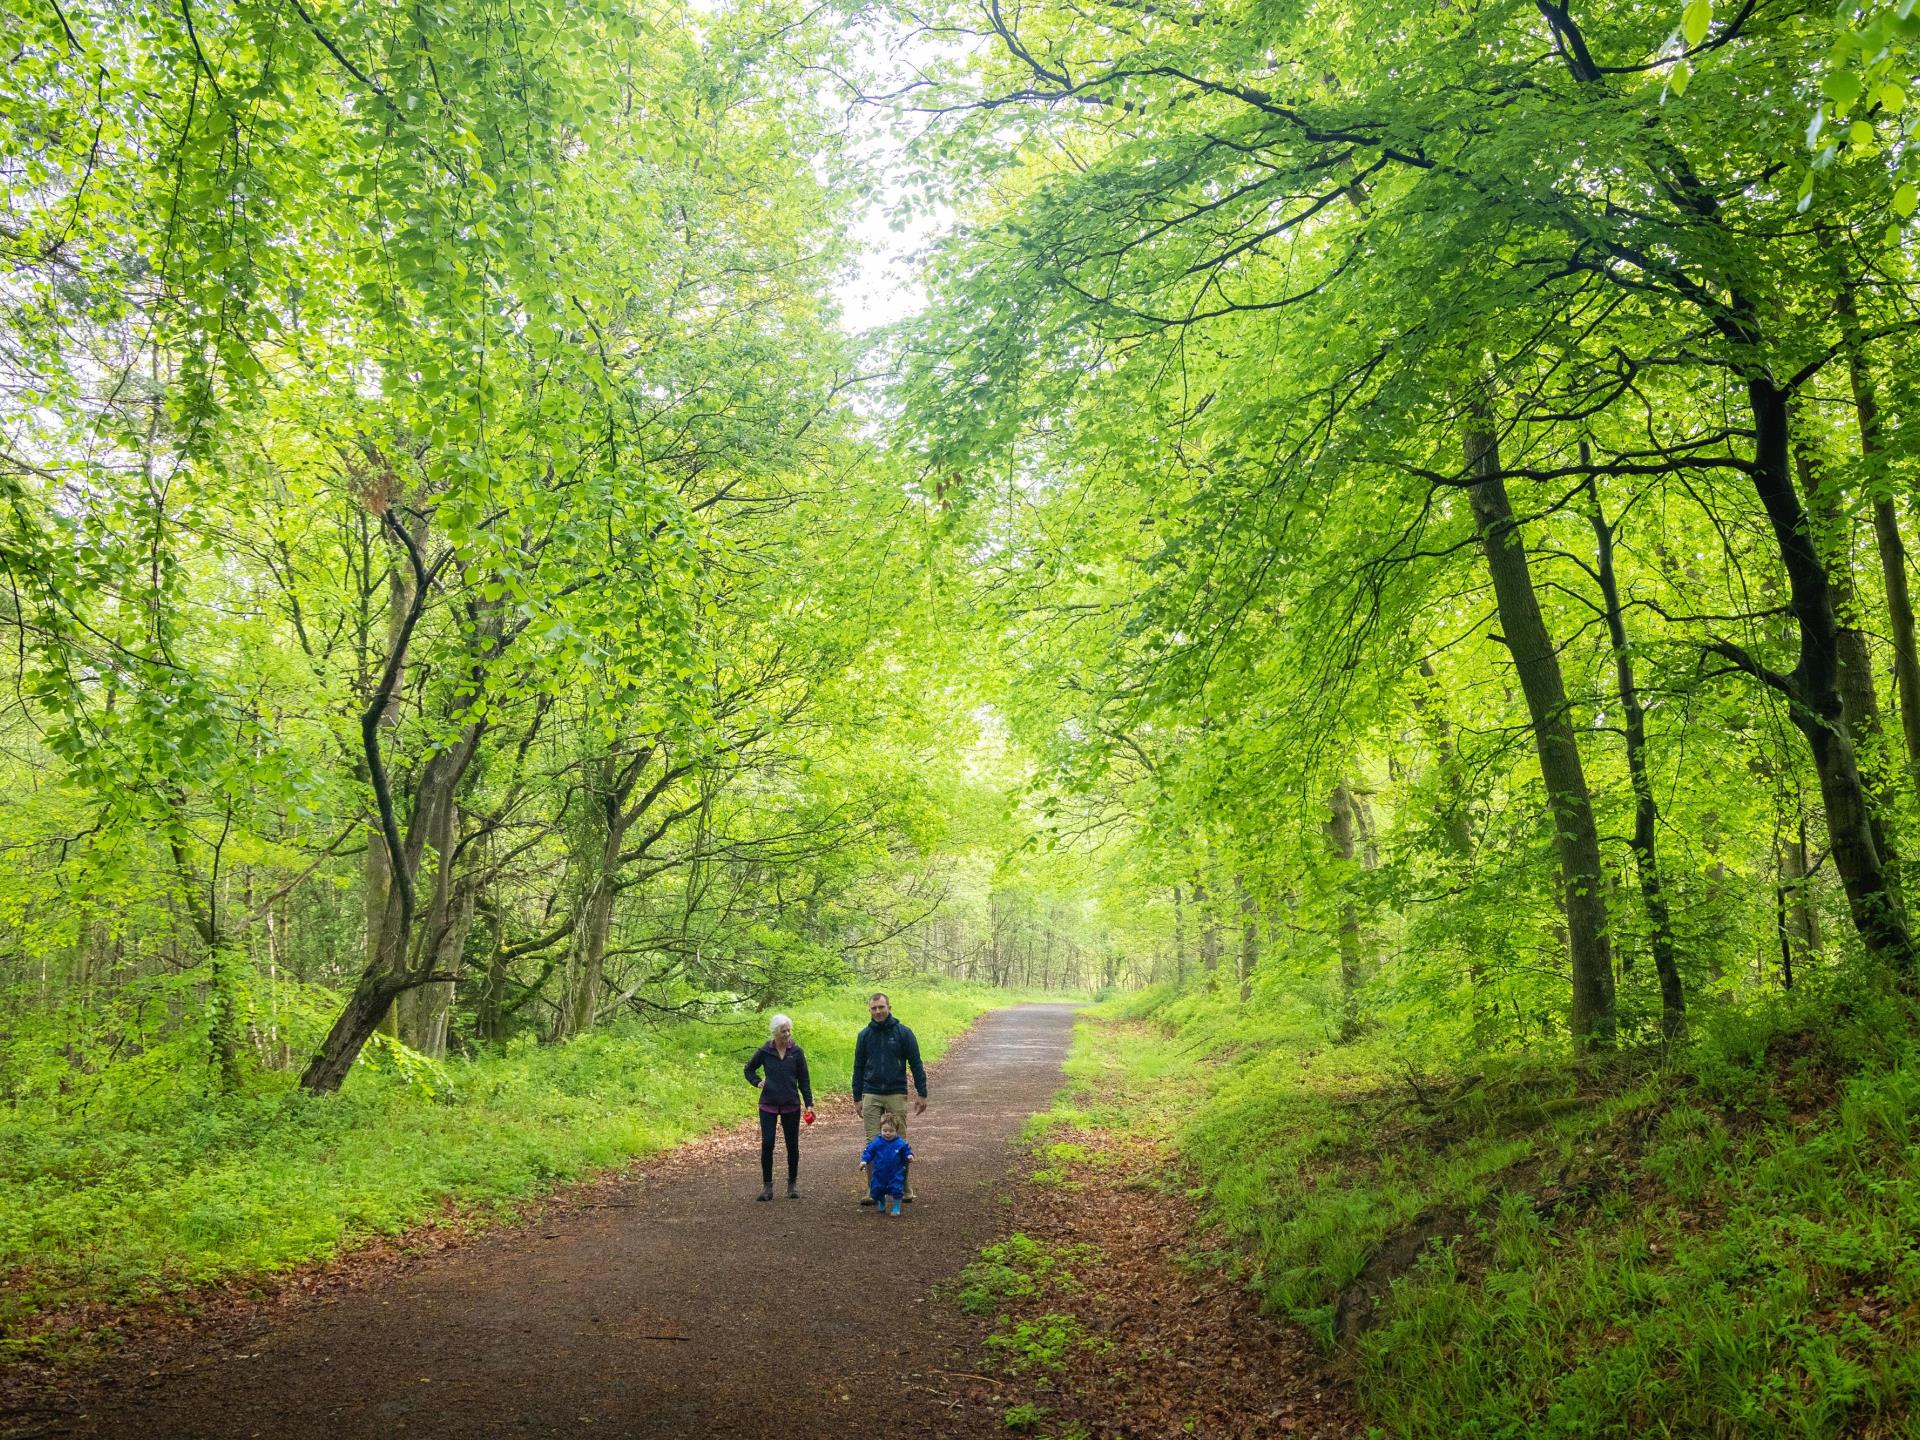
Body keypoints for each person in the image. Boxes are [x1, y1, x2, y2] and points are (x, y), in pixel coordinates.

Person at [850, 991, 926, 1204]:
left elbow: (916, 1063)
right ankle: (872, 1191)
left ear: (889, 1008)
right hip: (871, 1092)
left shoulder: (903, 1033)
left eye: (881, 1007)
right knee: (872, 1143)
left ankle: (904, 1188)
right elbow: (858, 1067)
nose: (878, 1011)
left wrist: (922, 1094)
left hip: (895, 1092)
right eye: (874, 1008)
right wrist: (857, 1097)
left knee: (898, 1143)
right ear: (869, 1010)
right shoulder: (864, 1035)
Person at [745, 1013, 813, 1201]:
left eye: (789, 1030)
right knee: (767, 1143)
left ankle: (792, 1185)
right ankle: (767, 1187)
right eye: (783, 1031)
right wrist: (757, 1082)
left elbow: (804, 1080)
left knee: (792, 1145)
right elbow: (749, 1069)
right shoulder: (765, 1051)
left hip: (791, 1103)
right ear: (775, 1032)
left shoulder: (796, 1052)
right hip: (768, 1103)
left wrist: (809, 1104)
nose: (787, 1034)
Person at [858, 1112, 912, 1217]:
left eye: (891, 1131)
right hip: (879, 1172)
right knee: (877, 1189)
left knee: (896, 1188)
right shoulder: (877, 1142)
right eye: (885, 1130)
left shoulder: (900, 1143)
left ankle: (896, 1207)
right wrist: (864, 1161)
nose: (887, 1133)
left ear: (896, 1131)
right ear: (880, 1130)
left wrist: (909, 1155)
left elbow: (907, 1150)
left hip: (895, 1171)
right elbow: (869, 1151)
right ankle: (882, 1202)